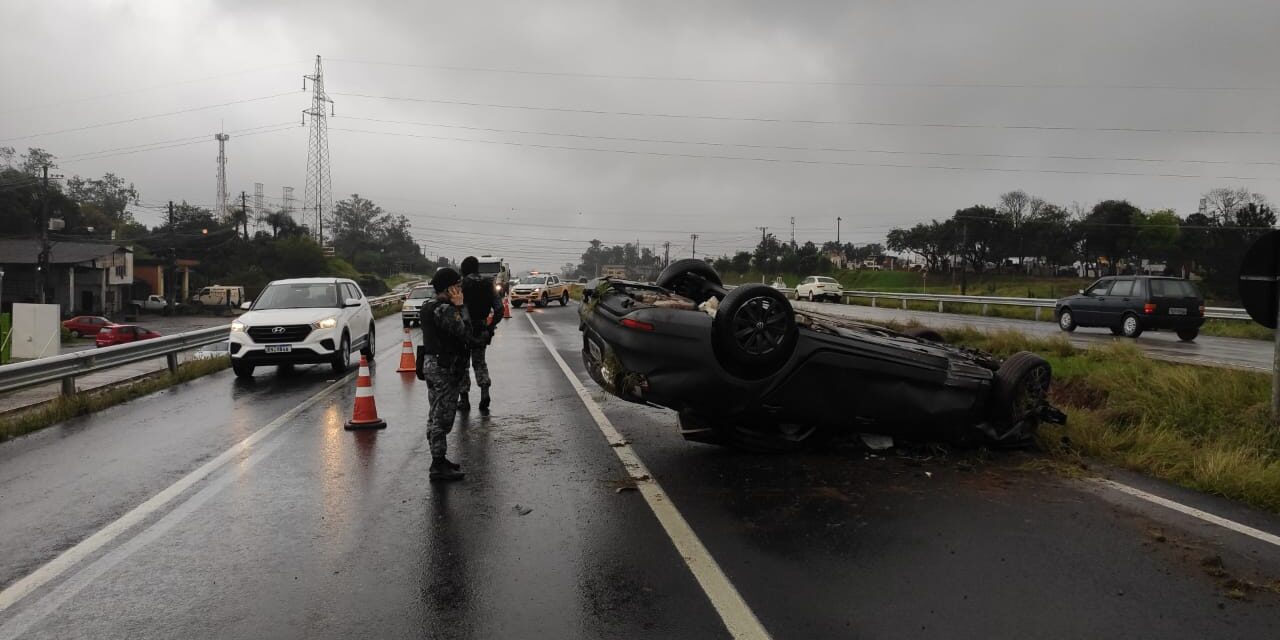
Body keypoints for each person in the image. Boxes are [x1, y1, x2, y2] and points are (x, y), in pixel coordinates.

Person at [419, 267, 470, 482]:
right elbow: (464, 331)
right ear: (449, 288)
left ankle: (439, 459)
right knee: (443, 417)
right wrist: (460, 307)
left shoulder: (428, 306)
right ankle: (437, 465)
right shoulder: (446, 310)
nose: (460, 289)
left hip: (432, 364)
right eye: (457, 286)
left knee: (435, 413)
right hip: (444, 367)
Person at [458, 256, 504, 415]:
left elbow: (456, 307)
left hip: (463, 330)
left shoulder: (461, 285)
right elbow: (499, 310)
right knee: (480, 362)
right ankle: (484, 391)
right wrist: (491, 327)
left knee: (462, 364)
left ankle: (464, 400)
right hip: (481, 327)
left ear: (464, 269)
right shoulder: (488, 284)